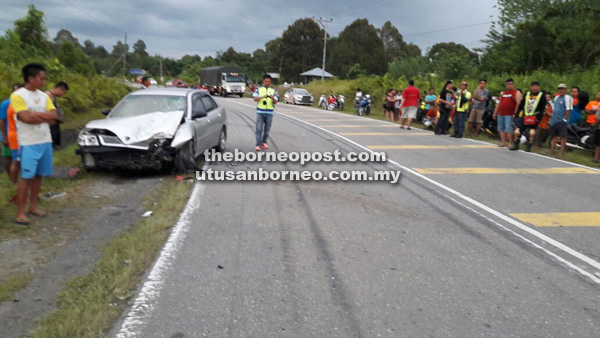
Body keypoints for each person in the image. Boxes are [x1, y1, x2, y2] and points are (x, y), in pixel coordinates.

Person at [11, 63, 58, 225]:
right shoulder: (18, 96)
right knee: (26, 176)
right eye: (41, 78)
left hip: (44, 140)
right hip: (28, 142)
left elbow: (54, 116)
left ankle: (33, 207)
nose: (44, 82)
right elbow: (25, 118)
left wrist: (35, 114)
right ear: (31, 78)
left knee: (38, 176)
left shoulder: (44, 96)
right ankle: (20, 212)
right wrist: (44, 116)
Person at [510, 81, 547, 152]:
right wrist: (516, 114)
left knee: (532, 133)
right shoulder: (527, 94)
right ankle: (516, 145)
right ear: (531, 87)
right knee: (517, 131)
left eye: (536, 87)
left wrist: (538, 118)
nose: (535, 88)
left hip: (534, 117)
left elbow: (543, 109)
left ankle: (528, 146)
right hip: (525, 116)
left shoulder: (542, 96)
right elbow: (521, 105)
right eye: (533, 86)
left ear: (539, 87)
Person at [493, 78, 522, 148]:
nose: (509, 86)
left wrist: (515, 113)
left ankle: (510, 143)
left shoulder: (516, 92)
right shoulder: (503, 93)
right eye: (508, 84)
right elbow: (499, 103)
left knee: (509, 129)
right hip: (501, 113)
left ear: (513, 85)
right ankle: (503, 142)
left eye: (511, 84)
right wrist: (495, 112)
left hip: (509, 114)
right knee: (501, 128)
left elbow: (518, 103)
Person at [253, 74, 278, 151]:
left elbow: (275, 101)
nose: (267, 83)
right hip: (260, 111)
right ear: (263, 81)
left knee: (267, 129)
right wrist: (262, 97)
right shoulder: (259, 89)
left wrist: (272, 97)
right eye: (266, 81)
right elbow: (255, 98)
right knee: (259, 129)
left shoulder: (273, 90)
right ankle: (258, 144)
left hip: (269, 113)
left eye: (269, 82)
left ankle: (264, 142)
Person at [4, 84, 23, 188]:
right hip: (16, 136)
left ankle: (15, 182)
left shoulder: (12, 104)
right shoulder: (14, 105)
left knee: (16, 160)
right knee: (16, 161)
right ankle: (14, 182)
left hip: (15, 135)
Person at [549, 83, 573, 158]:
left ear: (565, 90)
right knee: (554, 136)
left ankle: (561, 152)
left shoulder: (567, 97)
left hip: (561, 120)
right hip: (554, 119)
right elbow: (554, 108)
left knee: (563, 136)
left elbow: (568, 109)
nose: (561, 90)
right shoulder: (556, 98)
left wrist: (565, 119)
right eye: (559, 89)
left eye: (562, 89)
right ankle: (552, 150)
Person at [0, 85, 19, 173]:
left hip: (21, 135)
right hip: (9, 134)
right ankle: (11, 178)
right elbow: (2, 121)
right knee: (8, 157)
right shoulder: (6, 103)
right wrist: (4, 137)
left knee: (17, 158)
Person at [45, 81, 69, 147]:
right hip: (48, 122)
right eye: (63, 92)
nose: (62, 95)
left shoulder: (53, 96)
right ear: (60, 89)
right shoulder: (47, 95)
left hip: (54, 122)